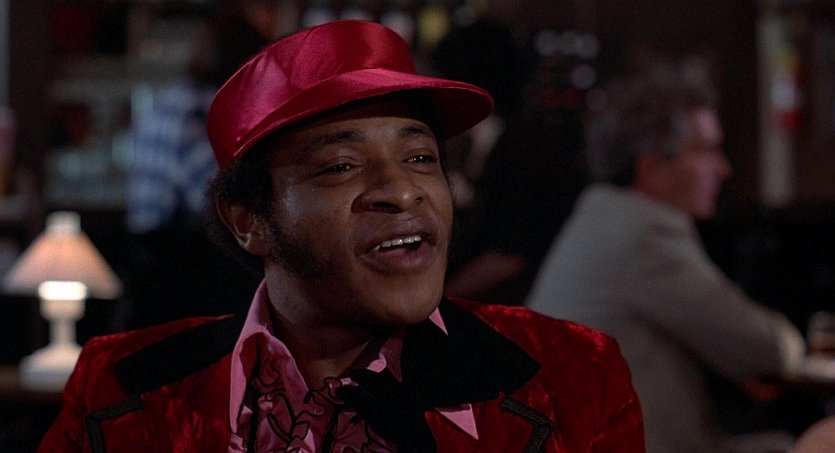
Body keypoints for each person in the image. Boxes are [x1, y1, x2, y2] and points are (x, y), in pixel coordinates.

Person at [37, 20, 644, 452]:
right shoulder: (118, 386)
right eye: (341, 166)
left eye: (421, 158)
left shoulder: (573, 376)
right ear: (248, 220)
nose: (401, 191)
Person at [525, 59, 807, 453]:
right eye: (707, 152)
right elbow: (766, 347)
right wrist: (792, 343)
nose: (723, 169)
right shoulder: (645, 233)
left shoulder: (601, 216)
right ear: (652, 168)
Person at [121, 0, 278, 328]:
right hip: (178, 275)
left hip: (147, 268)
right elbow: (215, 198)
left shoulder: (171, 100)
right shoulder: (197, 113)